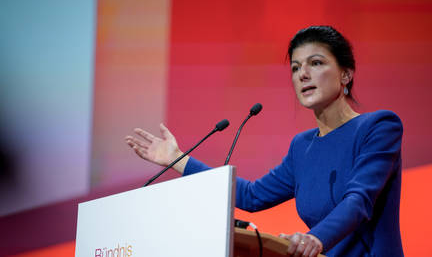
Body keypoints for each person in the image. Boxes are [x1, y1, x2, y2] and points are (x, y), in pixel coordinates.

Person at [125, 26, 404, 257]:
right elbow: (253, 196)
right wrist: (178, 159)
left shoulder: (378, 127)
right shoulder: (302, 146)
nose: (302, 74)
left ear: (346, 74)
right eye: (295, 68)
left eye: (315, 63)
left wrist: (314, 239)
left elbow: (358, 200)